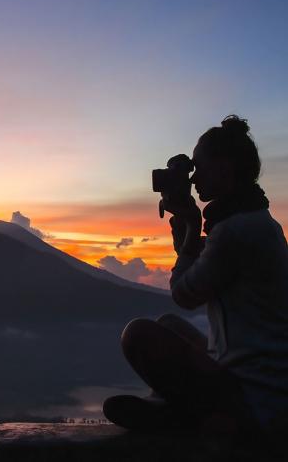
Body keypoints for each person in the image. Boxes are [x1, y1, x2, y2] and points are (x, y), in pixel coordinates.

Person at [102, 115, 288, 435]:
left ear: (224, 169)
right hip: (258, 379)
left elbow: (184, 293)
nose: (194, 177)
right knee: (167, 326)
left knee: (138, 335)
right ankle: (168, 404)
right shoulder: (255, 221)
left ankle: (181, 414)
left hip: (253, 394)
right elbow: (206, 264)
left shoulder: (235, 230)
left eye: (199, 167)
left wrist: (190, 227)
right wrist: (188, 227)